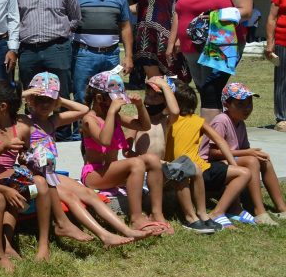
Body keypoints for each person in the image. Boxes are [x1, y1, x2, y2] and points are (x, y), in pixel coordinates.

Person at [23, 74, 148, 246]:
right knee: (70, 197)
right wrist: (25, 93)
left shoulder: (54, 121)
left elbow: (82, 109)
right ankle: (104, 236)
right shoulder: (24, 121)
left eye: (49, 100)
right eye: (39, 100)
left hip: (51, 175)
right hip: (33, 176)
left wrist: (59, 99)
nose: (45, 105)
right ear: (30, 100)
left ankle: (125, 230)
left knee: (89, 194)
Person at [169, 0, 252, 122]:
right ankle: (217, 133)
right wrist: (175, 40)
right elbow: (180, 8)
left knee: (209, 91)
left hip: (219, 44)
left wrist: (217, 15)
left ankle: (210, 141)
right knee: (205, 91)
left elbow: (246, 11)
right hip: (192, 47)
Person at [0, 79, 52, 264]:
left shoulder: (21, 127)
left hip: (12, 182)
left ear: (3, 106)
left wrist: (27, 160)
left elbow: (27, 157)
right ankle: (4, 245)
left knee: (40, 183)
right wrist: (3, 147)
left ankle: (44, 244)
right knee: (9, 193)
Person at [79, 71, 171, 234]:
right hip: (94, 174)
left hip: (112, 171)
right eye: (115, 99)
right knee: (136, 163)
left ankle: (157, 213)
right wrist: (112, 112)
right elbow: (105, 140)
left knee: (152, 159)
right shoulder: (89, 120)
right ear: (100, 99)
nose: (119, 103)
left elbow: (144, 126)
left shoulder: (116, 117)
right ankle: (136, 218)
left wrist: (140, 106)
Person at [165, 80, 248, 232]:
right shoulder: (173, 120)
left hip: (199, 169)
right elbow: (220, 141)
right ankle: (205, 214)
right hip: (189, 170)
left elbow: (220, 141)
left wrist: (232, 165)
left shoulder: (177, 119)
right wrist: (233, 164)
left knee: (244, 173)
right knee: (242, 172)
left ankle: (216, 212)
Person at [202, 82, 286, 225]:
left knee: (263, 159)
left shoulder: (240, 122)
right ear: (227, 105)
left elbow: (244, 151)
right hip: (209, 167)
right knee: (251, 160)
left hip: (229, 163)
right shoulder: (222, 120)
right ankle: (259, 212)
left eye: (249, 104)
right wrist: (247, 153)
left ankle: (281, 208)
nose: (247, 108)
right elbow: (212, 152)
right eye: (240, 104)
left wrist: (250, 153)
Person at [15, 0, 79, 110]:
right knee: (31, 95)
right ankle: (33, 131)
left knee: (61, 93)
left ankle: (64, 133)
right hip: (28, 50)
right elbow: (14, 18)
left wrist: (61, 33)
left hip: (57, 48)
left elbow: (75, 17)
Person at [72, 0, 134, 120]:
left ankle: (110, 131)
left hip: (111, 55)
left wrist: (128, 56)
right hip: (84, 55)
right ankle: (81, 134)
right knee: (82, 96)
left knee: (112, 96)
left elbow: (125, 27)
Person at [265, 0, 286, 131]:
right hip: (283, 42)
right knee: (282, 81)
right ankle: (282, 118)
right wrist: (270, 43)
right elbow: (272, 18)